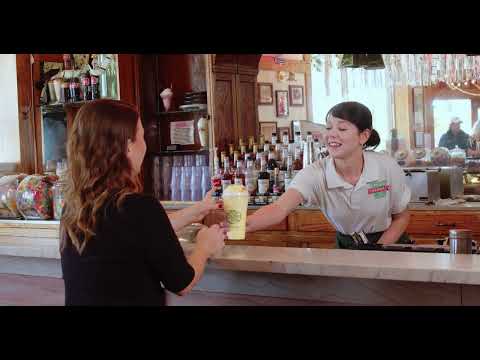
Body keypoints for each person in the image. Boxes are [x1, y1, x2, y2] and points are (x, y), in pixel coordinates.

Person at [60, 99, 225, 306]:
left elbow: (138, 233)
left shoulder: (74, 208)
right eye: (142, 137)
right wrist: (205, 247)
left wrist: (199, 209)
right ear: (128, 147)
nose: (145, 145)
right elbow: (182, 283)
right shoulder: (139, 208)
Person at [246, 101, 411, 249]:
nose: (331, 134)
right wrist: (240, 225)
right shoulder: (316, 173)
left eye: (342, 128)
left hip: (389, 244)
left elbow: (401, 217)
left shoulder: (386, 167)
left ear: (364, 136)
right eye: (328, 127)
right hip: (347, 247)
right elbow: (279, 208)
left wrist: (378, 250)